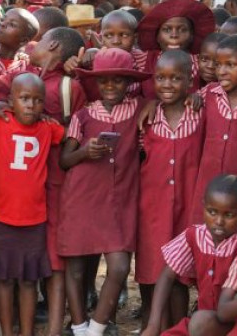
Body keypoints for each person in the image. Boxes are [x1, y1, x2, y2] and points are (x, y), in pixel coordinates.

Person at [60, 48, 151, 336]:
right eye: (104, 81)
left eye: (118, 81)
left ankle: (96, 328)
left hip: (120, 201)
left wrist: (150, 104)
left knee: (119, 266)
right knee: (74, 267)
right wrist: (86, 151)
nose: (111, 87)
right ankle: (78, 326)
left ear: (129, 82)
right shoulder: (83, 115)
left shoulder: (140, 109)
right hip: (81, 198)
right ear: (96, 84)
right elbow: (64, 160)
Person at [0, 73, 65, 336]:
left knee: (29, 280)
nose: (31, 105)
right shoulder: (0, 120)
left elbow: (65, 134)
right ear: (10, 101)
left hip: (35, 220)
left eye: (37, 101)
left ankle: (27, 331)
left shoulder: (48, 128)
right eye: (24, 99)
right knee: (5, 279)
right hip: (3, 217)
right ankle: (8, 331)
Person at [136, 50, 204, 328]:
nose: (167, 84)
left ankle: (178, 326)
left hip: (188, 206)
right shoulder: (147, 118)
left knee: (180, 272)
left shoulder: (199, 112)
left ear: (190, 81)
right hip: (153, 206)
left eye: (176, 78)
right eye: (161, 78)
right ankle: (155, 324)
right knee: (152, 268)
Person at [142, 175, 237, 336]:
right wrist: (153, 324)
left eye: (229, 215)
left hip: (231, 320)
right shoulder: (194, 235)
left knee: (200, 322)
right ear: (204, 207)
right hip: (206, 320)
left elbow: (224, 311)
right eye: (212, 212)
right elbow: (167, 276)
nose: (219, 221)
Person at [190, 36, 237, 222]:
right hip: (207, 188)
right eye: (218, 65)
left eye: (231, 65)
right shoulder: (208, 93)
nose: (222, 71)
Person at [136, 0, 215, 99]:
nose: (174, 35)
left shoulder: (201, 62)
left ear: (192, 36)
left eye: (182, 30)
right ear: (157, 36)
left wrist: (198, 96)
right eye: (167, 30)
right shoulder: (143, 60)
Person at [0, 8, 38, 81]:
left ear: (23, 40)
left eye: (12, 25)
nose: (2, 24)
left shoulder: (27, 67)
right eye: (2, 19)